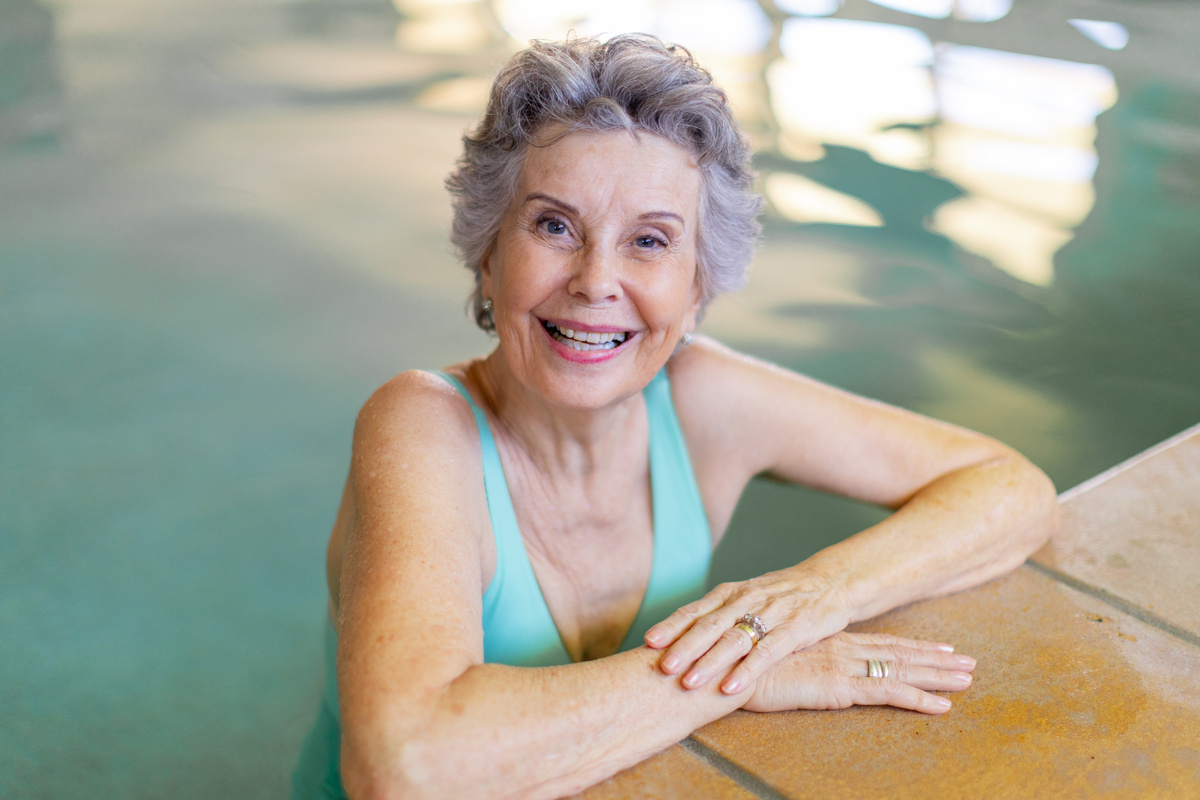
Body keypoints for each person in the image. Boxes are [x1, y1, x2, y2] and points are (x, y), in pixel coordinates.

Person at [291, 34, 1060, 800]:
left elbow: (1008, 488)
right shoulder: (424, 424)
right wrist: (737, 670)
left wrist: (812, 599)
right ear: (488, 254)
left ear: (698, 289)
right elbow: (408, 767)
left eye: (650, 241)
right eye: (554, 226)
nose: (597, 281)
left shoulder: (703, 399)